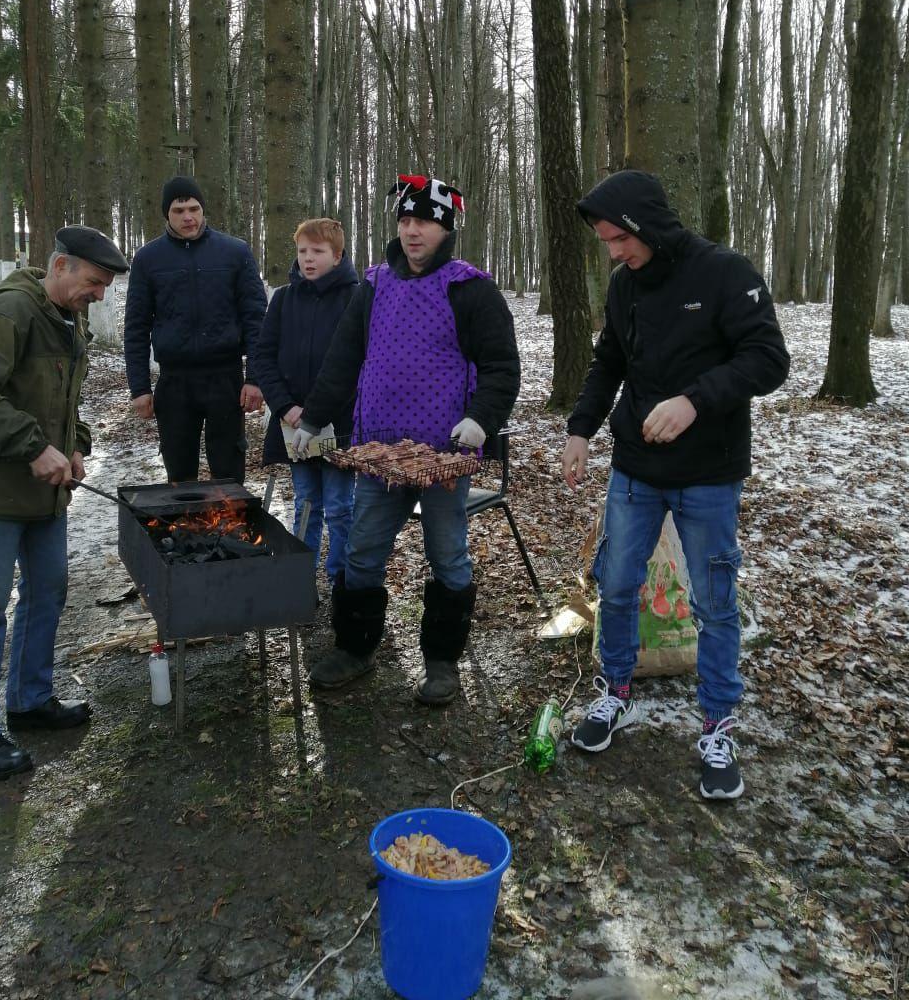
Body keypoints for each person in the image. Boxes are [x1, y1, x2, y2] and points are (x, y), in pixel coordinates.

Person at [561, 170, 790, 801]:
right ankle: (616, 690)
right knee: (616, 585)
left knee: (714, 600)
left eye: (621, 239)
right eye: (606, 243)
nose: (615, 253)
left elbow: (769, 359)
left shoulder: (724, 273)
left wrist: (695, 400)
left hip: (709, 472)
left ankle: (717, 723)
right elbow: (609, 360)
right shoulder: (624, 286)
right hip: (635, 468)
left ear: (648, 226)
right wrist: (580, 429)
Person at [291, 175, 520, 706]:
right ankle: (355, 647)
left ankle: (442, 662)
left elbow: (502, 366)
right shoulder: (374, 285)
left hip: (444, 455)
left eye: (425, 223)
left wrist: (481, 420)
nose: (413, 232)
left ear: (446, 229)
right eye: (406, 221)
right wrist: (313, 419)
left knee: (448, 555)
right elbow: (344, 357)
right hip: (380, 453)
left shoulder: (471, 289)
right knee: (362, 550)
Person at [0, 226, 129, 781]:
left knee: (47, 590)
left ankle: (29, 701)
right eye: (94, 282)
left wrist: (75, 446)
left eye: (105, 287)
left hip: (45, 496)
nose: (98, 294)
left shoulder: (68, 318)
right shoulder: (11, 311)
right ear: (60, 266)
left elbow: (65, 402)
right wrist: (33, 447)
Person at [124, 176, 267, 484]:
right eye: (179, 211)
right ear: (167, 214)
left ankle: (232, 518)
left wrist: (255, 379)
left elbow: (256, 320)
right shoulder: (148, 259)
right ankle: (183, 518)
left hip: (225, 378)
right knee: (179, 474)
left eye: (194, 208)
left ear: (203, 210)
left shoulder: (235, 253)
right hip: (175, 381)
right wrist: (139, 387)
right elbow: (136, 326)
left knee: (229, 475)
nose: (188, 217)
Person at [253, 218, 359, 585]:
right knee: (306, 504)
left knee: (341, 507)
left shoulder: (355, 298)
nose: (308, 259)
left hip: (339, 423)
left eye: (318, 251)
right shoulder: (284, 299)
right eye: (302, 251)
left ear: (337, 255)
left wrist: (319, 412)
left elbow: (357, 364)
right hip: (292, 424)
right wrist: (286, 407)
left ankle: (342, 580)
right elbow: (263, 358)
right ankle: (302, 581)